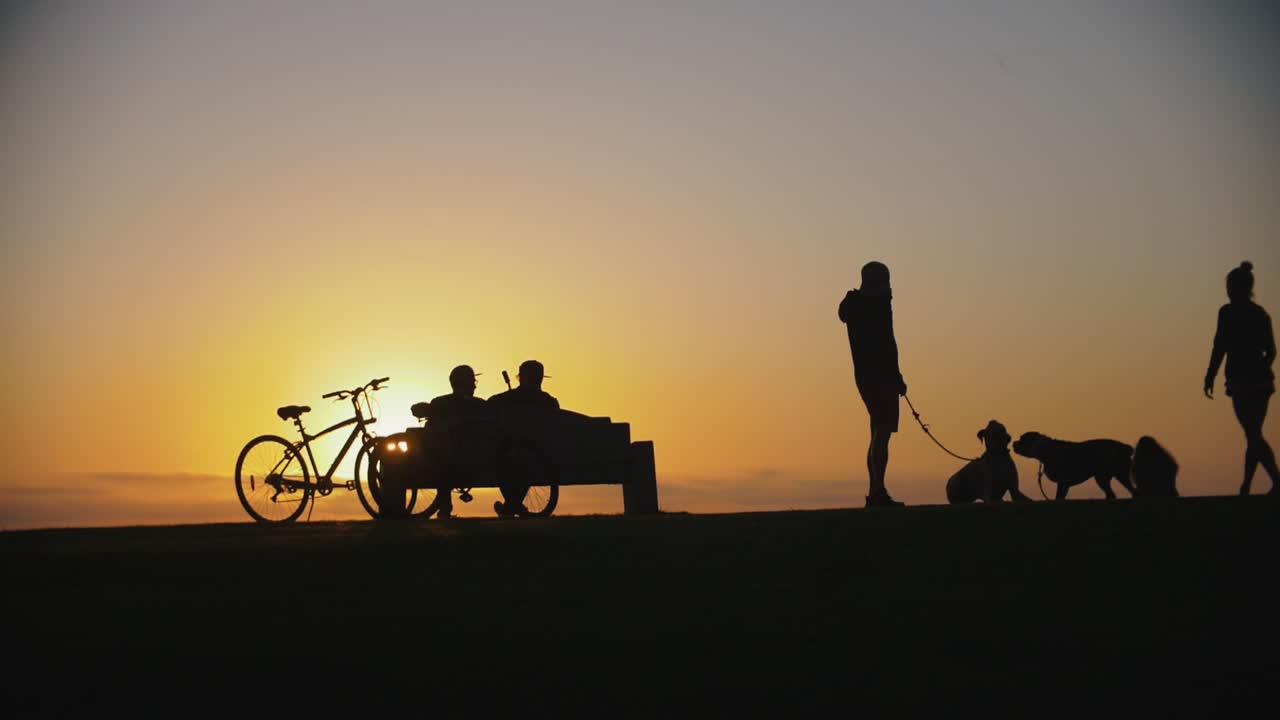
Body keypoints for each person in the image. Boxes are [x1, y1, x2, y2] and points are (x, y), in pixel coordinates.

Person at [1204, 261, 1278, 495]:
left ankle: (1275, 480)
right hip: (1262, 382)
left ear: (1236, 288)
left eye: (1229, 286)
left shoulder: (1227, 313)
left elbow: (1219, 346)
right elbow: (1272, 351)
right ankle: (1246, 485)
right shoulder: (1260, 314)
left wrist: (1210, 375)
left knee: (1253, 433)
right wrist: (1261, 368)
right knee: (1253, 434)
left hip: (1242, 381)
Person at [839, 261, 908, 508]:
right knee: (882, 433)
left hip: (868, 377)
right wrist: (896, 377)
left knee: (877, 432)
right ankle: (877, 490)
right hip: (880, 377)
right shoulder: (875, 305)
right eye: (886, 281)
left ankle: (875, 489)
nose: (889, 287)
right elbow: (886, 343)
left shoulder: (857, 305)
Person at [410, 365, 488, 518]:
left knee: (441, 454)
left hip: (444, 462)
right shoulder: (480, 405)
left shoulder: (439, 403)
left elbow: (420, 415)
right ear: (466, 383)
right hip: (479, 461)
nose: (474, 386)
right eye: (473, 382)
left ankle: (445, 508)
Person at [488, 359, 559, 516]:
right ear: (540, 379)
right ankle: (513, 505)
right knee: (523, 459)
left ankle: (511, 506)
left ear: (520, 377)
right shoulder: (550, 402)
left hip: (509, 459)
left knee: (511, 459)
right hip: (545, 458)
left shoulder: (501, 400)